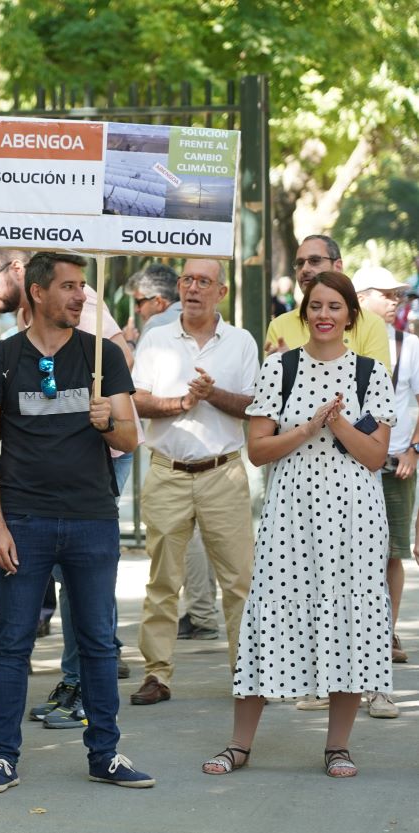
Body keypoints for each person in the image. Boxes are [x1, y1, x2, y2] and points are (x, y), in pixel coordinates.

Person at [0, 252, 154, 795]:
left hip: (91, 519)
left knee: (98, 641)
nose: (81, 297)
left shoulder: (103, 357)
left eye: (83, 287)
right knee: (12, 643)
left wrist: (109, 422)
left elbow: (129, 438)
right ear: (38, 293)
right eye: (70, 287)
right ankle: (1, 757)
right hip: (22, 520)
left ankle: (106, 753)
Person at [203, 271, 394, 779]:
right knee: (269, 614)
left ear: (351, 315)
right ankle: (240, 745)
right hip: (292, 515)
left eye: (335, 306)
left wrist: (338, 424)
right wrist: (308, 426)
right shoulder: (278, 368)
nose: (324, 315)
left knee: (350, 618)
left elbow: (375, 457)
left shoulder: (371, 373)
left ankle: (337, 747)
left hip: (356, 518)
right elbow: (258, 449)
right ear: (304, 312)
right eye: (316, 306)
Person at [129, 258, 258, 707]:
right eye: (187, 280)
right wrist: (182, 401)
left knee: (239, 580)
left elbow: (253, 405)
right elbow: (138, 401)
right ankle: (156, 674)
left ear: (221, 292)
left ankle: (248, 674)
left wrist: (212, 395)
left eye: (205, 281)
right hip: (167, 471)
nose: (193, 288)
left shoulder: (241, 341)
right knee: (163, 580)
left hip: (223, 472)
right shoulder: (157, 338)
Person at [353, 265, 417, 710]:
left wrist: (415, 449)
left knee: (393, 551)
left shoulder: (408, 345)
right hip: (350, 465)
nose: (396, 300)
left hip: (396, 462)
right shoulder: (339, 340)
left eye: (400, 293)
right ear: (361, 295)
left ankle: (385, 630)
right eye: (387, 292)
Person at [264, 235, 391, 368]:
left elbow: (378, 384)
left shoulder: (371, 324)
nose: (305, 269)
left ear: (338, 266)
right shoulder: (279, 326)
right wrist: (278, 371)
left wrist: (295, 366)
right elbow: (270, 385)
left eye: (314, 261)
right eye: (300, 263)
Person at [123, 263, 180, 347]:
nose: (136, 309)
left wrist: (129, 342)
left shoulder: (156, 323)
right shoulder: (194, 315)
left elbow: (136, 360)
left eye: (139, 302)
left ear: (158, 302)